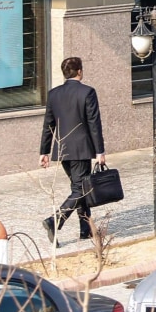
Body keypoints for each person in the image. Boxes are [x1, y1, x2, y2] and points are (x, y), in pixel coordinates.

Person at [39, 56, 105, 242]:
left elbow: (48, 125)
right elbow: (94, 123)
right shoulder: (88, 92)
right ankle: (54, 220)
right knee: (80, 190)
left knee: (79, 188)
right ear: (80, 71)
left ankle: (86, 229)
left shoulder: (53, 94)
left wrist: (44, 152)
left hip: (63, 150)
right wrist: (100, 151)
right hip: (81, 149)